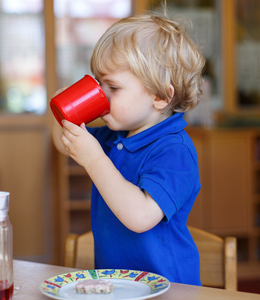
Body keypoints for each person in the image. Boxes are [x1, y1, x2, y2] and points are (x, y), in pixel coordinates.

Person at [52, 13, 205, 285]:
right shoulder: (115, 135)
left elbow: (140, 216)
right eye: (99, 83)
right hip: (119, 285)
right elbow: (62, 143)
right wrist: (65, 112)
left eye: (113, 87)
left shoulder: (175, 150)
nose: (102, 94)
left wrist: (95, 159)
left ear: (160, 96)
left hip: (169, 288)